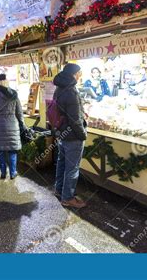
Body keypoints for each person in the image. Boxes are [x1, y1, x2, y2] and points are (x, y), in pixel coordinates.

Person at [53, 63, 87, 209]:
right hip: (73, 136)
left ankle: (59, 189)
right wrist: (82, 134)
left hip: (62, 133)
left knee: (62, 163)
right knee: (72, 168)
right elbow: (75, 120)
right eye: (80, 72)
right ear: (74, 74)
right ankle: (67, 198)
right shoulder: (71, 92)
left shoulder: (59, 89)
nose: (80, 75)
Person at [0, 74, 26, 179]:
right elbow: (20, 114)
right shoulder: (15, 97)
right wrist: (22, 125)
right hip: (13, 126)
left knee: (1, 151)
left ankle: (3, 173)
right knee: (12, 151)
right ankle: (13, 172)